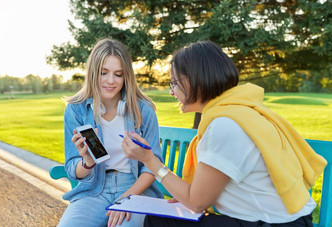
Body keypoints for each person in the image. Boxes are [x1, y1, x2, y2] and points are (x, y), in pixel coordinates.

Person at [121, 40, 327, 227]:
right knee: (161, 220)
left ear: (196, 80)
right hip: (268, 220)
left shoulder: (225, 126)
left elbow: (196, 202)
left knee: (158, 223)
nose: (171, 92)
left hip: (273, 224)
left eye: (174, 83)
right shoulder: (239, 112)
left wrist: (149, 160)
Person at [58, 38, 163, 227]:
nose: (110, 81)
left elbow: (152, 165)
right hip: (94, 190)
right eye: (103, 73)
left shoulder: (143, 109)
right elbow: (73, 168)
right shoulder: (76, 109)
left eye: (118, 74)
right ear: (92, 73)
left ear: (126, 77)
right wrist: (87, 162)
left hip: (134, 188)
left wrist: (125, 200)